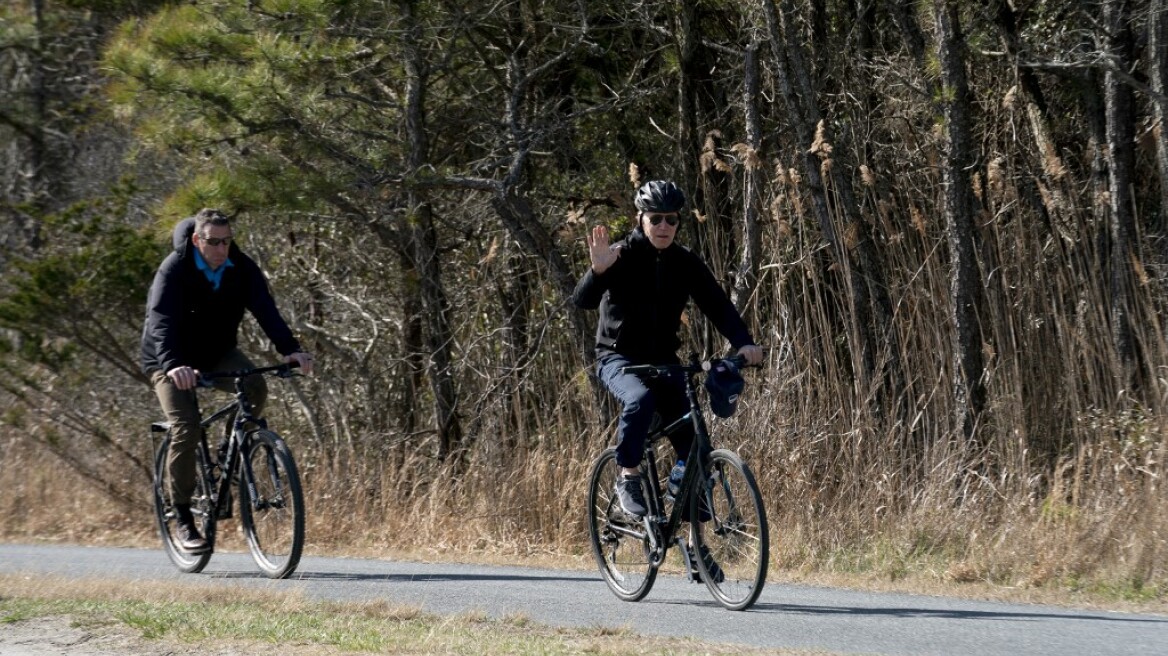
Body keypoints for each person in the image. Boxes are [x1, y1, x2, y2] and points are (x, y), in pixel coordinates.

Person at [572, 180, 763, 525]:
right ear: (640, 218)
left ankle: (691, 536)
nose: (663, 226)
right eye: (656, 218)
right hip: (618, 360)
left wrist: (743, 342)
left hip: (664, 361)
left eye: (671, 220)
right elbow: (583, 301)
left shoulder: (685, 262)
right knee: (640, 400)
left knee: (694, 443)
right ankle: (628, 477)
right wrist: (597, 271)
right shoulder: (619, 255)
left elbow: (718, 306)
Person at [141, 208, 313, 553]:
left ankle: (230, 446)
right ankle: (184, 517)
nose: (221, 249)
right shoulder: (174, 269)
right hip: (168, 358)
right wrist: (174, 364)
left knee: (254, 386)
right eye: (213, 242)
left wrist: (291, 349)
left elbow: (266, 310)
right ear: (196, 240)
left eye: (226, 241)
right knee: (186, 425)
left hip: (217, 352)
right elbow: (159, 322)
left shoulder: (242, 268)